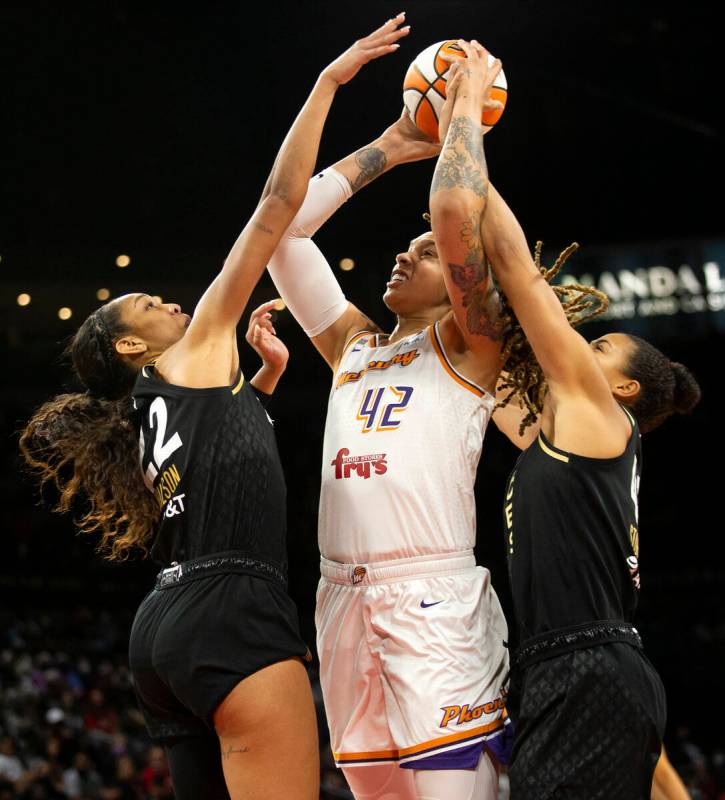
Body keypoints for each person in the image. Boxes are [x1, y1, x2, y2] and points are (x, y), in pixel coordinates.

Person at [19, 16, 411, 800]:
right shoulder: (190, 349)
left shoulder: (142, 413)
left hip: (161, 632)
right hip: (231, 608)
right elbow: (276, 206)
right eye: (147, 304)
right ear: (132, 349)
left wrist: (261, 385)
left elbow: (211, 464)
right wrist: (328, 83)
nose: (169, 301)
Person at [437, 52, 702, 799]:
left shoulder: (596, 409)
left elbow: (517, 271)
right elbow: (480, 385)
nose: (579, 349)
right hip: (579, 663)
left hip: (584, 662)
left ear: (617, 385)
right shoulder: (561, 437)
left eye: (597, 349)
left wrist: (466, 123)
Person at [267, 40, 510, 800]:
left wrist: (463, 106)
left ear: (463, 282)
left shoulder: (473, 346)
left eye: (426, 254)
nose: (405, 259)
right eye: (405, 250)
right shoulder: (353, 347)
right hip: (339, 594)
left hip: (430, 595)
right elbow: (280, 236)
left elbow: (459, 218)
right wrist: (391, 145)